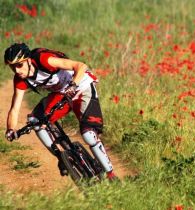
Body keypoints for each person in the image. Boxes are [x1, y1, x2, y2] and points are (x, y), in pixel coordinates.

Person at [4, 42, 117, 181]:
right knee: (35, 120)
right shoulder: (20, 80)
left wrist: (73, 84)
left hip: (81, 86)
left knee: (88, 134)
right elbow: (15, 108)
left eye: (19, 65)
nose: (16, 70)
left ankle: (111, 174)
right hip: (62, 94)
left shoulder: (44, 59)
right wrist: (10, 129)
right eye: (12, 67)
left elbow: (81, 66)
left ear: (28, 60)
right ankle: (63, 158)